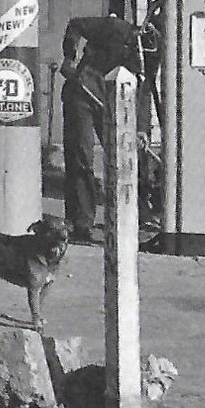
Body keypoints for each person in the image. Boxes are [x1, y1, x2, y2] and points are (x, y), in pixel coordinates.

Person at [59, 12, 143, 242]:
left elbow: (145, 90)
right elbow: (75, 24)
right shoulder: (116, 28)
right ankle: (81, 222)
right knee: (82, 157)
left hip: (114, 101)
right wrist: (70, 57)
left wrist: (141, 127)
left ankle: (125, 220)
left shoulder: (151, 57)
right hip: (84, 94)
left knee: (124, 158)